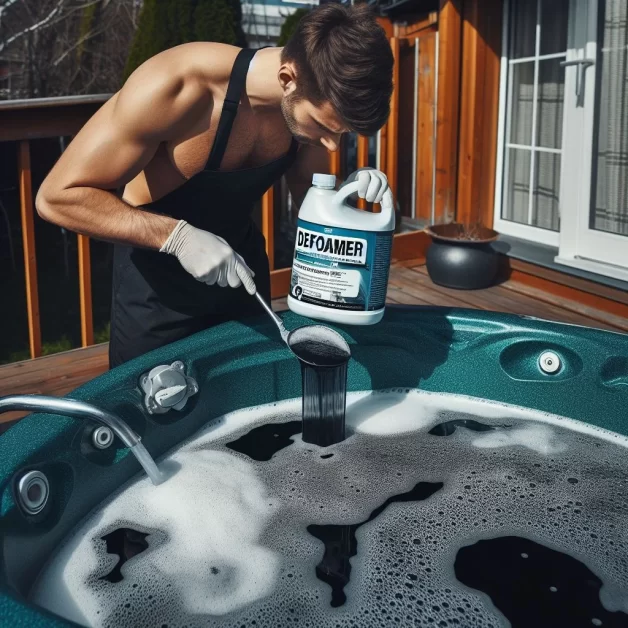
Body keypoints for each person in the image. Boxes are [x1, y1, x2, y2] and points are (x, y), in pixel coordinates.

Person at [36, 3, 394, 368]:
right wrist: (178, 237)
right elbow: (58, 197)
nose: (333, 146)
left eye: (342, 133)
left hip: (243, 279)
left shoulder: (309, 108)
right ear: (288, 79)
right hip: (158, 291)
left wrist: (346, 201)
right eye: (325, 128)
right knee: (153, 417)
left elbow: (305, 184)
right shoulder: (178, 86)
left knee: (254, 404)